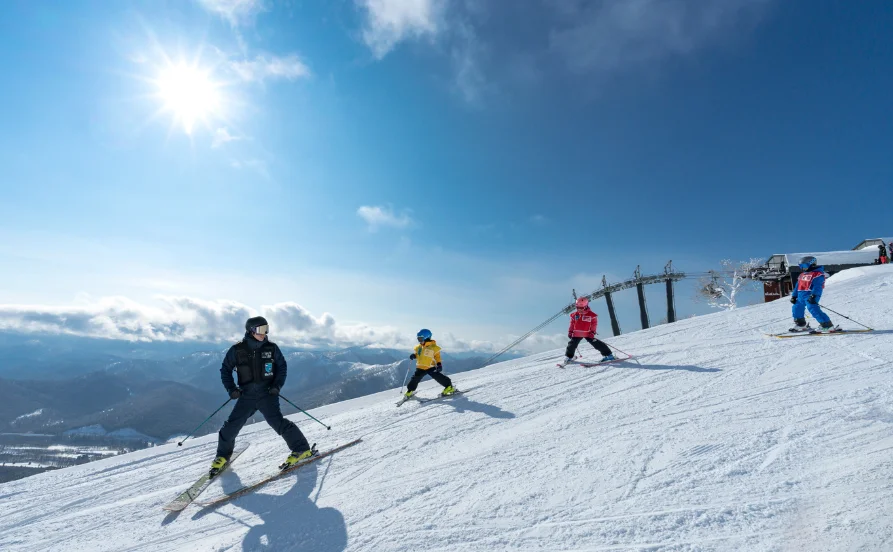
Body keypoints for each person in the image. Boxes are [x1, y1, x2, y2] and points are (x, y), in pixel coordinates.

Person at [209, 316, 313, 476]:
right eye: (261, 330)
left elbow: (282, 367)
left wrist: (277, 386)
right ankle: (222, 457)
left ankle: (302, 450)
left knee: (278, 423)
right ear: (251, 331)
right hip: (246, 396)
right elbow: (225, 370)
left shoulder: (271, 348)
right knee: (230, 427)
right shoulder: (237, 350)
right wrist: (231, 389)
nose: (264, 333)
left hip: (267, 395)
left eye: (266, 329)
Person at [558, 297, 614, 367]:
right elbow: (572, 324)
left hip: (588, 333)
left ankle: (608, 355)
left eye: (581, 308)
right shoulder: (575, 315)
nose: (579, 310)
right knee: (571, 345)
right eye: (578, 308)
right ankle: (569, 357)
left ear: (586, 306)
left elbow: (594, 324)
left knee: (597, 344)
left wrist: (592, 332)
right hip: (577, 333)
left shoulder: (591, 315)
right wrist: (570, 331)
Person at [789, 256, 839, 333]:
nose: (803, 268)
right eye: (801, 266)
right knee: (796, 308)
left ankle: (827, 326)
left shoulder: (817, 274)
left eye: (804, 266)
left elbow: (818, 286)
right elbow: (797, 286)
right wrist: (794, 296)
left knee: (813, 309)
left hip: (810, 295)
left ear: (812, 264)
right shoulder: (802, 275)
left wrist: (814, 295)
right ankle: (801, 324)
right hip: (800, 296)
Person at [403, 329, 456, 399]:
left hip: (430, 367)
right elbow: (418, 354)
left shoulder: (433, 348)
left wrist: (439, 364)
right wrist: (414, 355)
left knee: (438, 376)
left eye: (420, 339)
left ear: (426, 337)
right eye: (418, 339)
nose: (419, 340)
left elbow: (437, 357)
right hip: (421, 367)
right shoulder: (419, 347)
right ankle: (410, 390)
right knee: (415, 378)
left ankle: (449, 387)